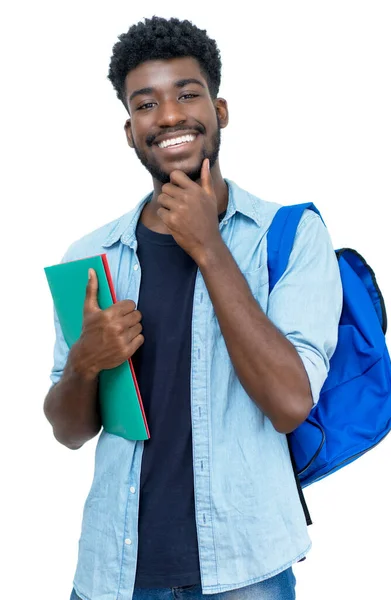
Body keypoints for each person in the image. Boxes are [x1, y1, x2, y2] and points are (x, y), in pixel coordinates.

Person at [43, 16, 343, 600]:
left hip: (246, 571)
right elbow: (68, 430)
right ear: (130, 131)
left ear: (220, 109)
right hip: (114, 573)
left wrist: (209, 247)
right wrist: (85, 362)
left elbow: (289, 403)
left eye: (187, 94)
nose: (171, 115)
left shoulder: (289, 235)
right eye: (147, 104)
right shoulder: (92, 257)